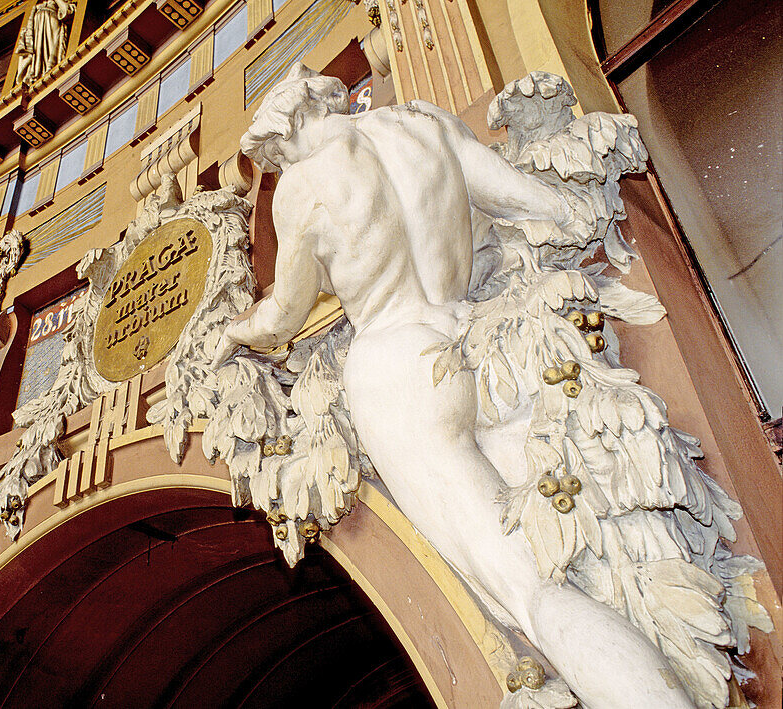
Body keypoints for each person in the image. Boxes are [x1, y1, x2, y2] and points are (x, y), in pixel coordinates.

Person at [215, 63, 696, 707]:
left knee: (531, 590)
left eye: (276, 153)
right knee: (566, 546)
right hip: (475, 346)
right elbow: (537, 202)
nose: (279, 163)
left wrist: (230, 336)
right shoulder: (422, 124)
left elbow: (282, 318)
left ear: (289, 127)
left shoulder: (302, 189)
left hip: (397, 374)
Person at [14, 0, 76, 85]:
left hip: (52, 19)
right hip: (38, 24)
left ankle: (50, 68)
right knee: (38, 50)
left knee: (53, 45)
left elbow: (67, 11)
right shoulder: (36, 7)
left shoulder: (60, 2)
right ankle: (36, 73)